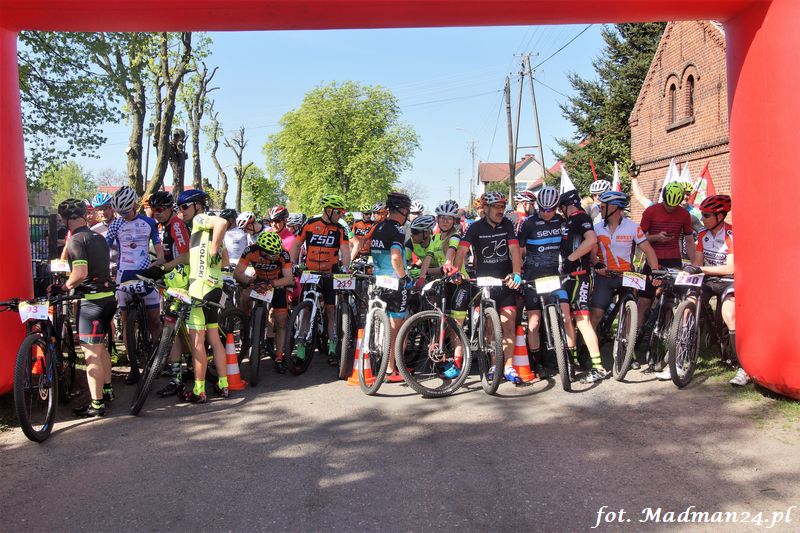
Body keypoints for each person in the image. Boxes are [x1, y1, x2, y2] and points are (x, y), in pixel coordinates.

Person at [656, 195, 743, 384]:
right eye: (702, 214)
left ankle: (741, 366)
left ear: (720, 216)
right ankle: (678, 362)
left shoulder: (730, 234)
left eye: (707, 215)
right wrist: (688, 272)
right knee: (687, 309)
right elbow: (697, 263)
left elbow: (730, 268)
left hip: (727, 280)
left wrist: (701, 269)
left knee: (729, 314)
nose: (702, 218)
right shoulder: (703, 235)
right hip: (708, 278)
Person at [53, 199, 116, 418]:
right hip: (108, 299)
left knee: (91, 355)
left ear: (65, 220)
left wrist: (64, 287)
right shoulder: (98, 237)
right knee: (101, 348)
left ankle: (97, 405)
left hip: (92, 302)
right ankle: (107, 390)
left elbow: (80, 273)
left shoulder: (76, 240)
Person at [452, 191, 524, 384]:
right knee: (490, 327)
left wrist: (517, 273)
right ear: (486, 209)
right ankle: (493, 364)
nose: (501, 210)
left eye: (503, 206)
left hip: (505, 281)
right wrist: (456, 271)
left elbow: (514, 249)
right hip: (484, 282)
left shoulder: (507, 224)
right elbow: (462, 250)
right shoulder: (475, 227)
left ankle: (508, 366)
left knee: (509, 324)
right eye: (496, 207)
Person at [176, 189, 230, 402]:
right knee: (214, 338)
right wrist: (213, 251)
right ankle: (224, 384)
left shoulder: (200, 220)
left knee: (197, 341)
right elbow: (226, 262)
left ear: (197, 206)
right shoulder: (208, 232)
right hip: (215, 286)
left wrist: (213, 249)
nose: (181, 211)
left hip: (200, 288)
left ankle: (199, 390)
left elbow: (222, 222)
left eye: (184, 207)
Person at [106, 186, 164, 384]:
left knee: (154, 321)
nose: (124, 216)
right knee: (126, 322)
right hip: (124, 274)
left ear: (134, 205)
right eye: (121, 213)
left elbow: (159, 250)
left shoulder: (149, 222)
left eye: (127, 211)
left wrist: (159, 264)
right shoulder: (115, 224)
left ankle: (158, 361)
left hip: (145, 274)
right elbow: (103, 248)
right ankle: (133, 367)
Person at [289, 194, 351, 366]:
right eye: (338, 212)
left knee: (331, 310)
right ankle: (301, 348)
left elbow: (345, 250)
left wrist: (346, 268)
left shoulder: (340, 229)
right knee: (306, 310)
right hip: (310, 272)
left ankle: (332, 347)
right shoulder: (309, 224)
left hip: (330, 273)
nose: (341, 215)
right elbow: (296, 245)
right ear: (328, 210)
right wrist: (292, 264)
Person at [589, 191, 660, 332]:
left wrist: (655, 271)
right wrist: (596, 263)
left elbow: (649, 251)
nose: (600, 210)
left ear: (613, 207)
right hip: (605, 275)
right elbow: (592, 254)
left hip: (627, 275)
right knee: (596, 314)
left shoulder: (632, 227)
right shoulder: (597, 228)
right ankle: (589, 343)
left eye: (603, 207)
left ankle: (627, 340)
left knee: (631, 311)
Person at [558, 189, 606, 381]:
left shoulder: (581, 218)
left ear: (565, 206)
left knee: (582, 320)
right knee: (567, 318)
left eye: (560, 208)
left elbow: (591, 240)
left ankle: (598, 367)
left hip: (580, 276)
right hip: (567, 277)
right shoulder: (568, 221)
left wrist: (572, 258)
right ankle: (574, 359)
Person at [638, 181, 696, 331]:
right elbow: (639, 237)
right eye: (668, 205)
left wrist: (695, 264)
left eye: (674, 206)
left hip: (673, 259)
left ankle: (666, 333)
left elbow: (689, 240)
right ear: (663, 198)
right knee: (644, 301)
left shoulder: (684, 214)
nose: (671, 209)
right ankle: (634, 335)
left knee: (671, 298)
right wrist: (656, 237)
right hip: (653, 258)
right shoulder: (651, 211)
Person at [369, 192, 414, 382]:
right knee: (396, 328)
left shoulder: (378, 227)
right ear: (403, 210)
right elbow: (396, 257)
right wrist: (405, 278)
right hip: (395, 283)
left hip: (379, 280)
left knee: (392, 325)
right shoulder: (398, 230)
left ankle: (393, 365)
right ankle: (390, 369)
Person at [234, 231, 294, 374]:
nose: (276, 256)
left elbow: (288, 278)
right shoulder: (250, 251)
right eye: (272, 254)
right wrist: (250, 282)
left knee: (281, 321)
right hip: (258, 281)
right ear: (262, 250)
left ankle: (279, 357)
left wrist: (272, 284)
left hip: (277, 284)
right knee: (245, 296)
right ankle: (244, 320)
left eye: (277, 253)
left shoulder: (283, 254)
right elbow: (237, 273)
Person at [420, 200, 469, 373]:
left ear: (454, 220)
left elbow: (451, 251)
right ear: (437, 219)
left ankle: (458, 363)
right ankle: (442, 358)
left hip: (459, 283)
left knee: (456, 326)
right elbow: (428, 259)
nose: (445, 221)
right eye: (442, 218)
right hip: (444, 282)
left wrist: (448, 263)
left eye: (449, 218)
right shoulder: (435, 238)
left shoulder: (455, 236)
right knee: (441, 323)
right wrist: (421, 277)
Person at [148, 191, 190, 272]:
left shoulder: (176, 225)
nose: (156, 213)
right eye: (153, 210)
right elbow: (169, 256)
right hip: (172, 272)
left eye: (159, 209)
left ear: (170, 208)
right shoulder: (166, 225)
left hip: (180, 275)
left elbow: (186, 257)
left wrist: (163, 268)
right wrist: (158, 263)